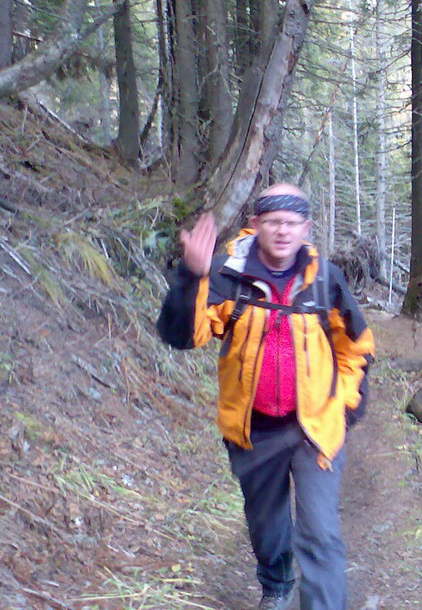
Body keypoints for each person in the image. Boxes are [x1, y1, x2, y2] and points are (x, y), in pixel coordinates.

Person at [156, 183, 374, 610]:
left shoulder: (325, 280)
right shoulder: (226, 274)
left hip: (314, 429)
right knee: (268, 527)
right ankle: (276, 585)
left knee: (320, 535)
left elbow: (357, 349)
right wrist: (192, 276)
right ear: (255, 225)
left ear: (306, 228)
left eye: (292, 223)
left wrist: (345, 408)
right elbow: (181, 336)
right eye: (273, 221)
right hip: (253, 430)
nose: (282, 231)